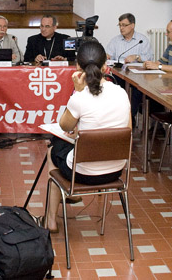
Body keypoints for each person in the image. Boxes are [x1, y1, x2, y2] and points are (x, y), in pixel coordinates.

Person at [44, 40, 131, 232]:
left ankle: (51, 219)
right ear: (105, 66)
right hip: (116, 170)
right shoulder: (122, 93)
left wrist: (77, 91)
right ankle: (67, 198)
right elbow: (127, 130)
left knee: (52, 150)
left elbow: (65, 126)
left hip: (82, 174)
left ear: (77, 67)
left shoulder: (80, 97)